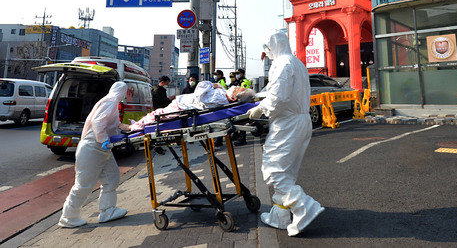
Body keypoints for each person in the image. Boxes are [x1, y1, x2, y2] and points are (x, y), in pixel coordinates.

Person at [247, 30, 324, 237]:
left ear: (273, 44)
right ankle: (280, 216)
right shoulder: (296, 63)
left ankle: (304, 205)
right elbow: (280, 91)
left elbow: (278, 96)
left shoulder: (281, 64)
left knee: (274, 171)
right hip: (300, 121)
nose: (267, 51)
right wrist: (259, 98)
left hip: (287, 123)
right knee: (287, 171)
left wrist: (260, 109)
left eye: (267, 47)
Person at [58, 82, 129, 228]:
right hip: (92, 147)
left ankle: (107, 211)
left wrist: (132, 126)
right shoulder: (110, 101)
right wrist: (103, 140)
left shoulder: (112, 103)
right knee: (83, 184)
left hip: (102, 149)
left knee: (112, 178)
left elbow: (115, 125)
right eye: (125, 91)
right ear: (121, 91)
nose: (125, 95)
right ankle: (68, 217)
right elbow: (98, 122)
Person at [125, 82, 255, 131]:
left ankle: (134, 127)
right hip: (183, 104)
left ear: (233, 98)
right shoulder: (223, 97)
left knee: (157, 115)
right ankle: (136, 124)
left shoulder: (221, 97)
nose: (235, 87)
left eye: (237, 89)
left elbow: (200, 94)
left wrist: (212, 85)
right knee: (158, 114)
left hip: (182, 105)